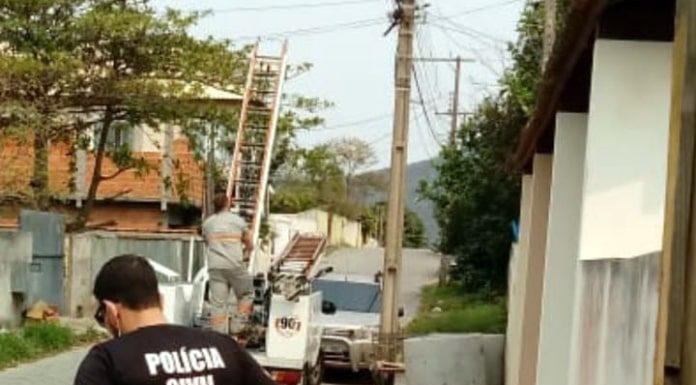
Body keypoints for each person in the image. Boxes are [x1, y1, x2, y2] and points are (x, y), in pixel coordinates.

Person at [74, 254, 275, 385]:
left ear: (111, 311)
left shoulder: (106, 361)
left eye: (102, 318)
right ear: (161, 300)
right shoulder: (224, 347)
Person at [201, 193, 254, 335]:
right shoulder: (237, 221)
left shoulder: (207, 223)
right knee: (247, 293)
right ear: (227, 204)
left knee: (218, 304)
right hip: (235, 265)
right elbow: (249, 242)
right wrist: (247, 253)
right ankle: (237, 326)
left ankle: (219, 335)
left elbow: (207, 242)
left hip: (215, 267)